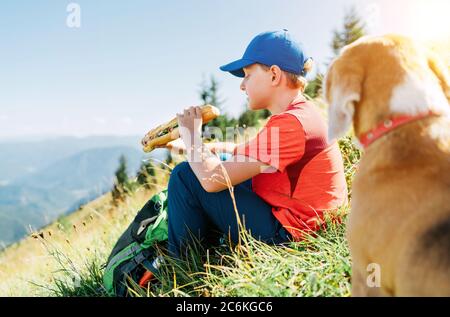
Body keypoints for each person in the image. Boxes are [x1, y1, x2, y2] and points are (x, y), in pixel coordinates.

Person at [139, 29, 347, 285]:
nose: (241, 85)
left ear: (274, 74)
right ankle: (202, 245)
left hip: (292, 236)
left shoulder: (293, 124)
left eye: (247, 75)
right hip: (299, 222)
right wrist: (183, 146)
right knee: (222, 161)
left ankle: (180, 274)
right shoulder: (299, 115)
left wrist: (193, 135)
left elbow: (212, 179)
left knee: (185, 176)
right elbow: (240, 152)